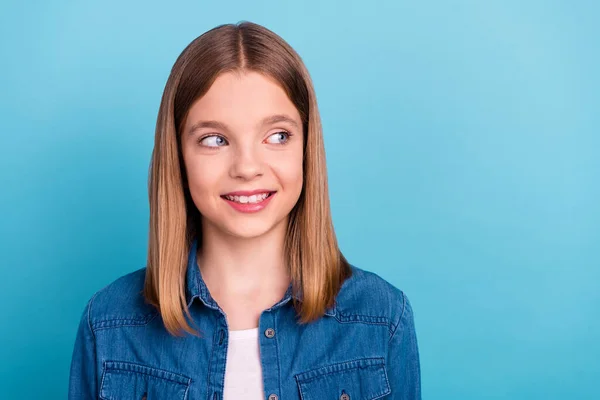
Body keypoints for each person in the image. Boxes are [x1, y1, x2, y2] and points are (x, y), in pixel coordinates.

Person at [68, 21, 421, 400]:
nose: (247, 167)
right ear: (179, 157)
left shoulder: (382, 318)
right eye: (215, 140)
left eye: (277, 136)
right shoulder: (108, 325)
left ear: (306, 146)